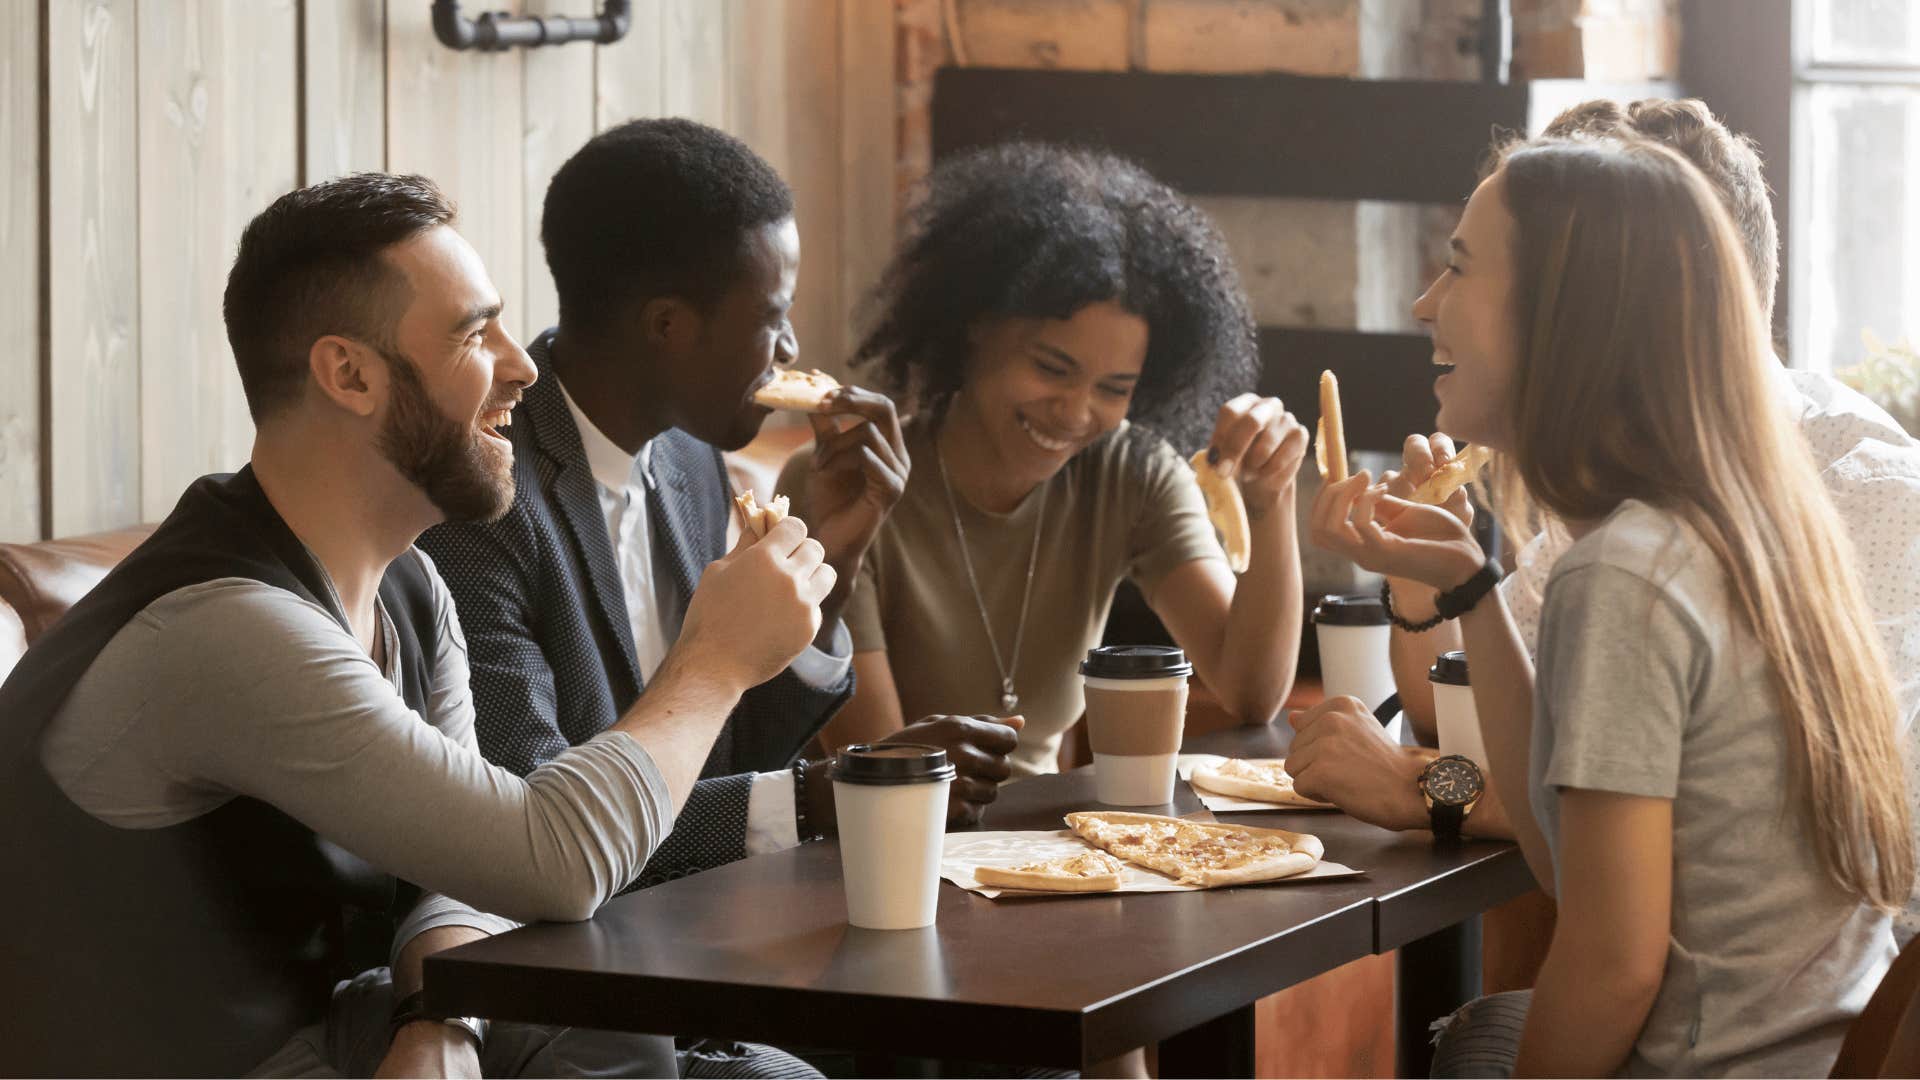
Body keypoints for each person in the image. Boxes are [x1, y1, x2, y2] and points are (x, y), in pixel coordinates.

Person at [0, 173, 834, 1077]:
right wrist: (714, 659)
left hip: (342, 1027)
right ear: (350, 374)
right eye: (475, 334)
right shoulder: (227, 628)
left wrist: (440, 1023)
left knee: (723, 1057)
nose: (521, 366)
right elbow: (548, 859)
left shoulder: (412, 582)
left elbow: (455, 867)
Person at [1310, 132, 1912, 1076]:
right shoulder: (1743, 530)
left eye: (1459, 269)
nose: (1425, 303)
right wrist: (1471, 586)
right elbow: (1565, 865)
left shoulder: (1628, 577)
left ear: (1566, 318)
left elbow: (1610, 968)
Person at [417, 119, 1019, 886]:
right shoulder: (483, 499)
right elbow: (541, 825)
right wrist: (815, 800)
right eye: (773, 316)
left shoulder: (690, 457)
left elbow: (728, 756)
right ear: (668, 326)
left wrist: (835, 555)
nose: (792, 349)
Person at [784, 142, 1308, 778]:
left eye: (1114, 389)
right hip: (879, 849)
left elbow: (1249, 691)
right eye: (1052, 368)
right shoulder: (847, 483)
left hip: (1048, 852)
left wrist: (1271, 498)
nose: (1076, 412)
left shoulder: (1132, 475)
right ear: (975, 326)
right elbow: (884, 774)